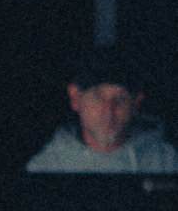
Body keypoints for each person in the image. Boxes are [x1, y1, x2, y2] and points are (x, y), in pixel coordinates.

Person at [25, 55, 178, 174]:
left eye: (120, 98)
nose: (108, 110)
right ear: (75, 98)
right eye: (97, 97)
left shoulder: (167, 164)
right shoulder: (47, 167)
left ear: (136, 103)